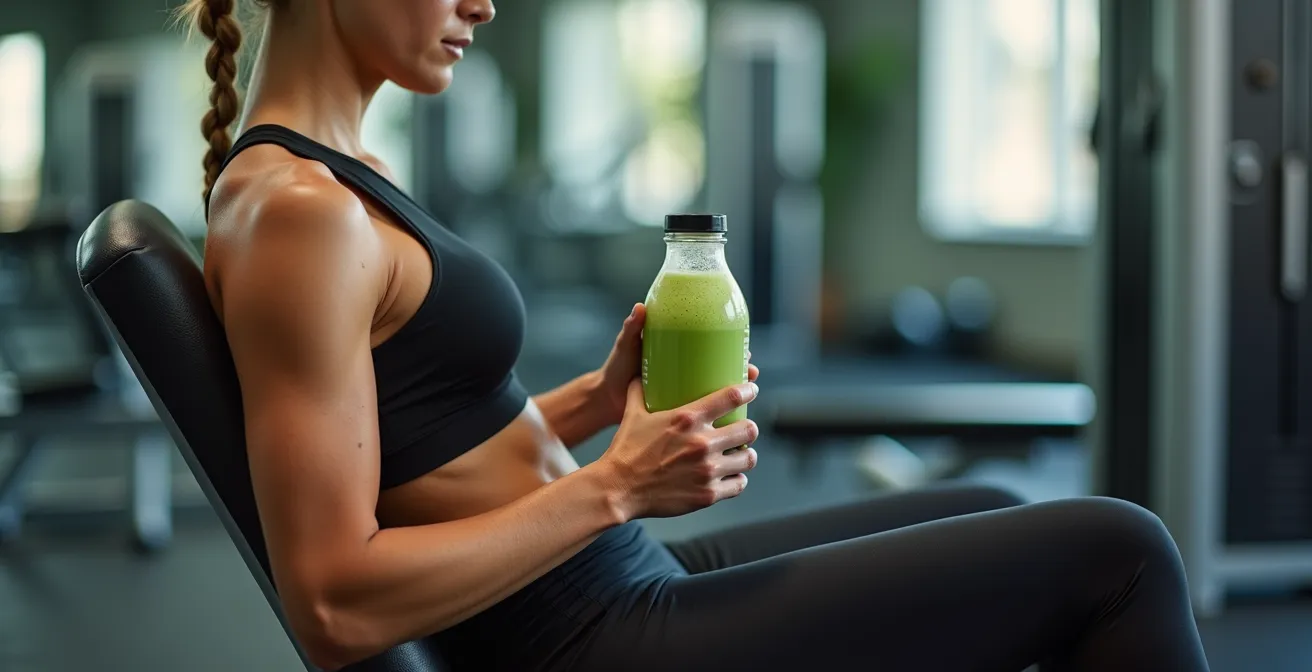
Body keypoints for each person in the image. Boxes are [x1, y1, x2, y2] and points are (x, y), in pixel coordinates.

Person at [179, 1, 1213, 670]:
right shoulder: (299, 215)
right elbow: (332, 603)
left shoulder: (337, 176)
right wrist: (614, 485)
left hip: (611, 583)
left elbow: (411, 445)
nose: (482, 5)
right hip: (592, 641)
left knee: (995, 503)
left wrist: (593, 403)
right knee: (1121, 554)